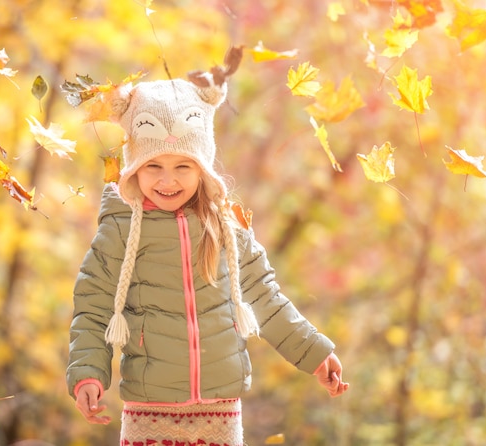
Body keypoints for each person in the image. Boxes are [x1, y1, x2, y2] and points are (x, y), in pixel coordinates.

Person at [67, 72, 349, 446]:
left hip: (219, 408)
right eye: (154, 166)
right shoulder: (121, 227)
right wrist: (88, 373)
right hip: (151, 408)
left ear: (203, 165)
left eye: (182, 166)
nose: (168, 180)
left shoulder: (225, 226)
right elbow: (94, 305)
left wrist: (314, 352)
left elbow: (264, 297)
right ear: (134, 165)